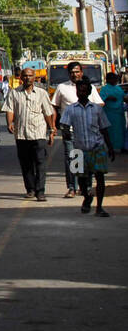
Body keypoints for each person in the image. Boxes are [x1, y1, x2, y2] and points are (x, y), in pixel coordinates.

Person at [62, 78, 115, 216]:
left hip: (97, 148)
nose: (82, 92)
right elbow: (65, 125)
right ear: (77, 92)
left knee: (100, 177)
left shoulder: (97, 109)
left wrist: (110, 147)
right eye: (80, 90)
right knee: (81, 179)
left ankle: (99, 207)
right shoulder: (70, 109)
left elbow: (104, 128)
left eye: (85, 90)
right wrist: (66, 132)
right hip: (78, 149)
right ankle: (87, 197)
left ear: (89, 92)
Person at [51, 61, 103, 198]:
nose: (75, 74)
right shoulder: (62, 87)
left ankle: (87, 187)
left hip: (88, 132)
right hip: (70, 131)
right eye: (72, 72)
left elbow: (100, 104)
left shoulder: (89, 87)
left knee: (86, 159)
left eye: (77, 71)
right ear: (69, 74)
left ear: (81, 72)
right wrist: (54, 126)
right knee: (73, 158)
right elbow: (54, 106)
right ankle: (72, 188)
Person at [6, 66, 56, 201]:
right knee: (26, 164)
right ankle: (30, 189)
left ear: (35, 78)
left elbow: (48, 113)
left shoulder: (42, 93)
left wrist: (51, 129)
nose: (27, 78)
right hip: (21, 134)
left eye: (30, 75)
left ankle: (40, 191)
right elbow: (10, 109)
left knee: (40, 163)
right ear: (21, 78)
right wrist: (10, 122)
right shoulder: (14, 93)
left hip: (38, 134)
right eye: (25, 76)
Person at [99, 72, 126, 154]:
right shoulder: (104, 89)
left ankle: (121, 146)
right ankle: (111, 147)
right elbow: (101, 100)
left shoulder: (118, 88)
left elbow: (123, 97)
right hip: (109, 114)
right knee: (110, 132)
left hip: (119, 114)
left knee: (121, 131)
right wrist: (108, 98)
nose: (116, 80)